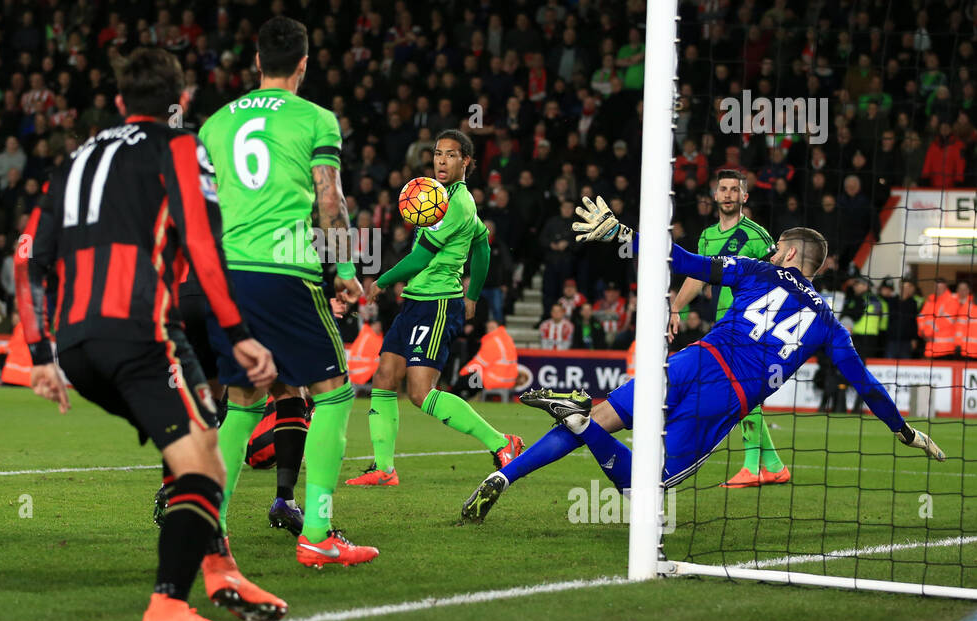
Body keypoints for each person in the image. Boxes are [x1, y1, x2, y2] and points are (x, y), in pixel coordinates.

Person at [460, 197, 945, 525]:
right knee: (646, 489)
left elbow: (683, 260)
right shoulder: (828, 322)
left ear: (791, 252)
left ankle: (506, 474)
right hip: (725, 395)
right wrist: (904, 432)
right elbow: (867, 386)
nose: (773, 251)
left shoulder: (758, 271)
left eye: (778, 247)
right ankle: (583, 423)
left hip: (693, 360)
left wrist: (621, 232)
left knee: (609, 415)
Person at [16, 47, 281, 621]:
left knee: (194, 436)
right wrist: (238, 334)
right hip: (141, 333)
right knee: (206, 460)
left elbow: (26, 257)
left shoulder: (75, 157)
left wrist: (39, 355)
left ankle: (221, 570)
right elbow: (203, 245)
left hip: (78, 347)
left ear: (116, 104)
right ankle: (168, 606)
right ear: (181, 102)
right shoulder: (180, 147)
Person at [198, 15, 377, 568]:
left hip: (228, 275)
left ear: (256, 62)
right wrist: (344, 267)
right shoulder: (317, 119)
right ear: (304, 63)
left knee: (244, 400)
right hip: (284, 270)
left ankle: (209, 528)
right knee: (334, 391)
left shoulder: (215, 124)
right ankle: (318, 531)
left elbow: (203, 209)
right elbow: (331, 201)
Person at [347, 129, 522, 486]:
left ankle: (503, 442)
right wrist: (473, 295)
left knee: (420, 392)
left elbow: (419, 258)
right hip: (416, 301)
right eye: (438, 154)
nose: (441, 161)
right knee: (383, 378)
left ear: (466, 161)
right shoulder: (444, 196)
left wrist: (380, 282)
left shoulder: (456, 204)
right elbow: (483, 247)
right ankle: (384, 468)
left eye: (451, 155)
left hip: (437, 304)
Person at [669, 168, 787, 488]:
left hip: (751, 324)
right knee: (745, 391)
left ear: (744, 196)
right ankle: (773, 465)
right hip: (723, 323)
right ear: (715, 195)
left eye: (734, 189)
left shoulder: (757, 235)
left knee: (743, 391)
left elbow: (779, 275)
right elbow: (697, 275)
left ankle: (751, 466)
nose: (728, 194)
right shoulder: (708, 236)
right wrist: (677, 306)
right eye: (723, 189)